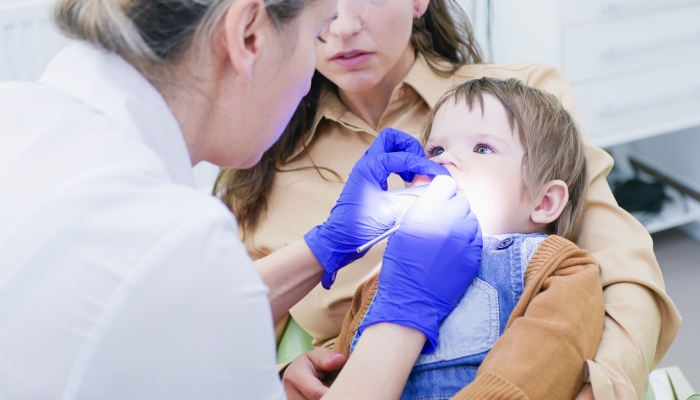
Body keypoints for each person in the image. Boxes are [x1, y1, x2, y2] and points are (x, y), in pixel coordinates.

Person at [0, 0, 484, 398]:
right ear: (249, 34)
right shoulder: (177, 243)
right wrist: (402, 312)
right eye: (317, 32)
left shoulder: (18, 116)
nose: (307, 83)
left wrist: (325, 248)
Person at [214, 0, 682, 397]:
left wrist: (599, 388)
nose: (342, 26)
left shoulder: (523, 99)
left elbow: (623, 270)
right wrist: (286, 381)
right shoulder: (257, 159)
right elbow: (213, 337)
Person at [333, 77, 606, 399]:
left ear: (544, 202)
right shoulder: (382, 276)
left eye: (482, 148)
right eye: (435, 149)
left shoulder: (557, 267)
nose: (442, 160)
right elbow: (348, 370)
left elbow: (543, 365)